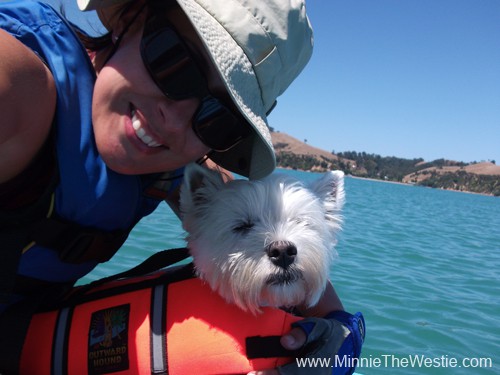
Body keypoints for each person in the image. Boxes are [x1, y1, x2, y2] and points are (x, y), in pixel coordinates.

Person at [0, 0, 364, 373]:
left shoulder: (179, 165)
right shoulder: (18, 89)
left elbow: (275, 239)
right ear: (131, 17)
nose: (173, 122)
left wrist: (344, 331)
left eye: (217, 118)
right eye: (173, 63)